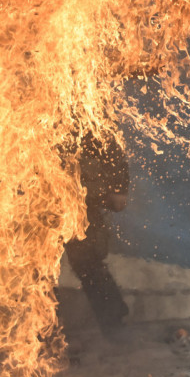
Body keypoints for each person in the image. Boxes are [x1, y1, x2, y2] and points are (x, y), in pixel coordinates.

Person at [64, 132, 131, 337]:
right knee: (32, 266)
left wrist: (119, 187)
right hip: (41, 193)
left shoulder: (85, 110)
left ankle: (114, 325)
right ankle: (36, 337)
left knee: (88, 261)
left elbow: (110, 145)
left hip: (81, 201)